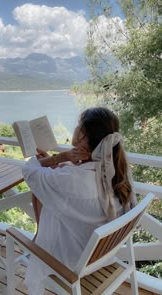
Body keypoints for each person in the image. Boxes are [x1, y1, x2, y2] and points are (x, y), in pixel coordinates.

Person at [22, 107, 136, 295]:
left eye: (78, 127)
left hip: (73, 260)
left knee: (42, 194)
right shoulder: (119, 169)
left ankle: (38, 239)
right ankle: (39, 235)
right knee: (49, 196)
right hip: (103, 254)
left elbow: (29, 171)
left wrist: (58, 158)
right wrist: (65, 163)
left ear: (83, 137)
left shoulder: (72, 178)